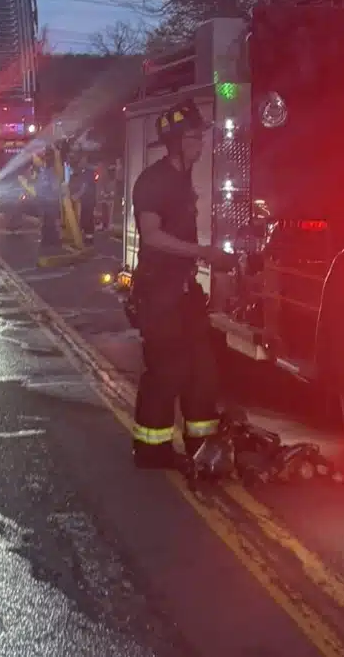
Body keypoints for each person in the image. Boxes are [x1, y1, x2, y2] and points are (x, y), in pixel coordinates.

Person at [128, 100, 233, 469]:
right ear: (174, 142)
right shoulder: (154, 182)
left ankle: (201, 447)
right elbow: (152, 235)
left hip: (183, 292)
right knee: (167, 370)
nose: (200, 144)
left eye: (200, 136)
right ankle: (151, 449)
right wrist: (201, 251)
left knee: (202, 369)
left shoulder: (182, 179)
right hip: (159, 293)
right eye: (193, 137)